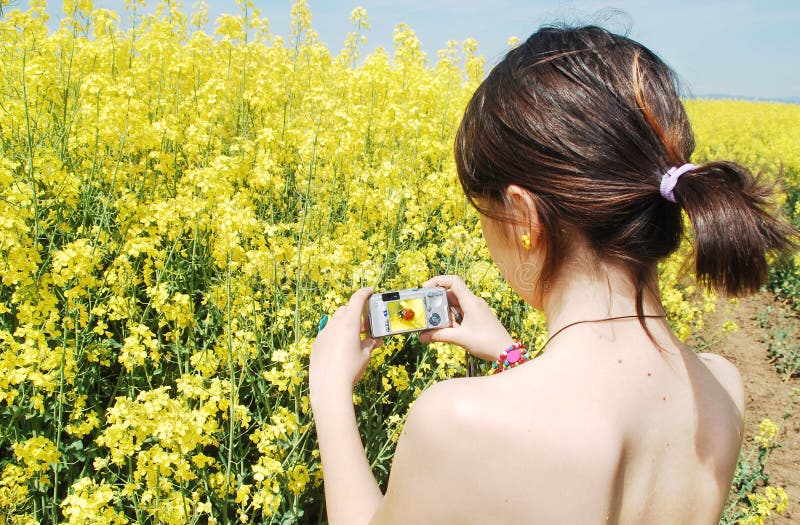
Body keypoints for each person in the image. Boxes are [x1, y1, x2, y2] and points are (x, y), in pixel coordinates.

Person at [309, 25, 797, 524]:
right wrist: (509, 355)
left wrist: (329, 393)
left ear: (523, 218)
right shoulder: (720, 389)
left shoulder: (457, 422)